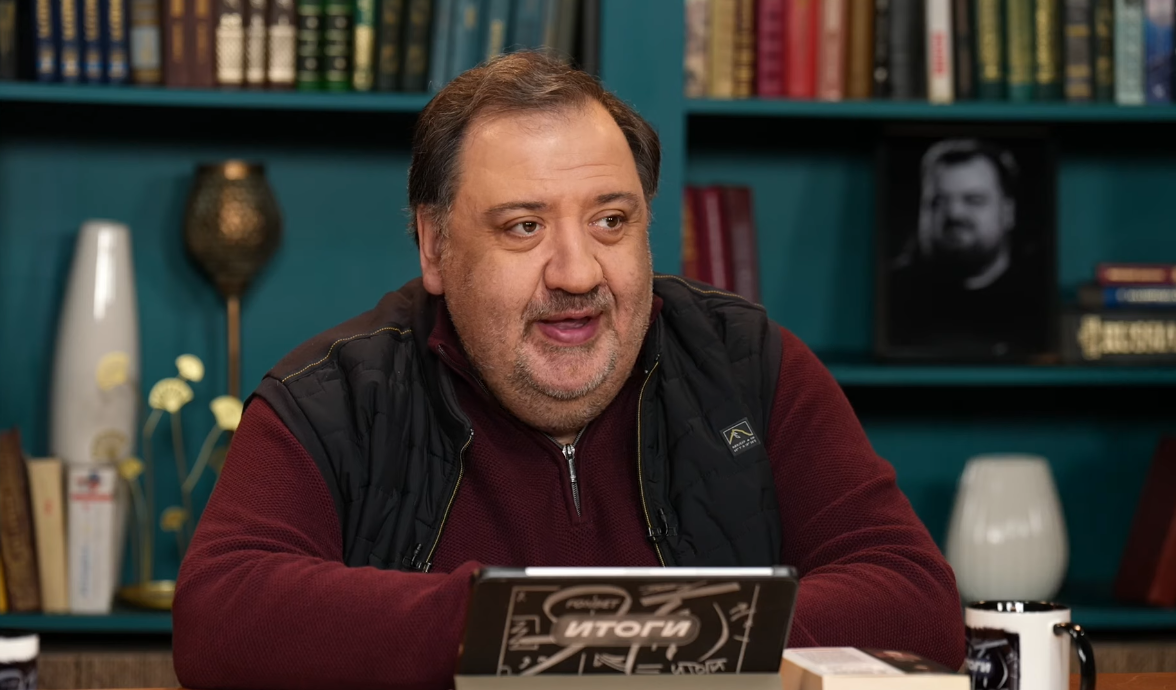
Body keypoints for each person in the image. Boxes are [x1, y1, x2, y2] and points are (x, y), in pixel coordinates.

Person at [172, 51, 965, 689]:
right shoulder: (333, 396)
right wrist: (513, 625)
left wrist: (640, 631)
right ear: (435, 247)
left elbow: (916, 601)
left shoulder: (749, 365)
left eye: (611, 221)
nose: (578, 273)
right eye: (524, 227)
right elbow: (222, 616)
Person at [886, 138, 1049, 358]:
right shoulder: (892, 295)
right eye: (938, 201)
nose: (954, 214)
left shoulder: (1041, 300)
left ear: (1008, 211)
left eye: (974, 200)